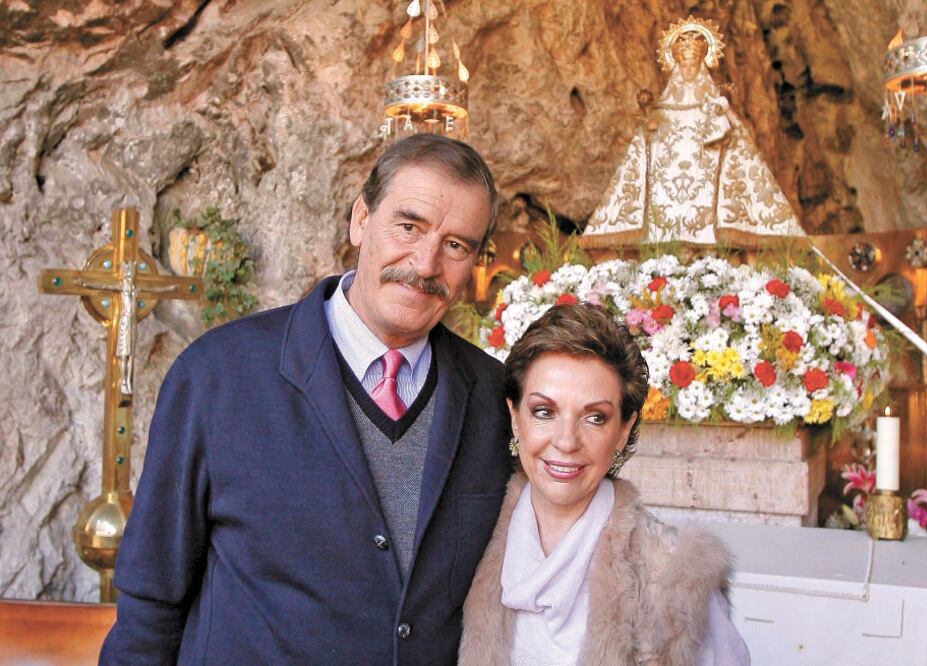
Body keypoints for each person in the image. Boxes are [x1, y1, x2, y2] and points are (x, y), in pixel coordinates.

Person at [100, 134, 512, 664]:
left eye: (456, 245)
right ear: (360, 219)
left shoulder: (495, 401)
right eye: (408, 226)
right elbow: (149, 606)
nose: (427, 263)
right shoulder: (215, 377)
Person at [459, 303, 750, 665]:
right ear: (516, 417)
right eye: (544, 412)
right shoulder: (468, 540)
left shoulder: (673, 577)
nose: (566, 441)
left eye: (595, 417)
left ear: (623, 430)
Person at [580, 15, 805, 250]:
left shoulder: (715, 108)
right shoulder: (662, 112)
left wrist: (721, 115)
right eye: (684, 65)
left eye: (693, 65)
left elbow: (740, 154)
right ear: (677, 65)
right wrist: (648, 120)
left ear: (701, 64)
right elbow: (643, 154)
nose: (688, 70)